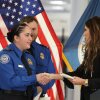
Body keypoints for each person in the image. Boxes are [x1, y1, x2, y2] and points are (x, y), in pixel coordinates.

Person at [48, 16, 100, 100]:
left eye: (85, 30)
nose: (83, 33)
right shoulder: (90, 53)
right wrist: (56, 76)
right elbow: (79, 73)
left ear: (94, 32)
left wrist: (84, 82)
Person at [0, 23, 50, 100]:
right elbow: (11, 82)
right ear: (16, 38)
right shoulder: (5, 56)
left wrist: (38, 90)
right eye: (27, 35)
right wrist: (35, 78)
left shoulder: (29, 57)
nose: (30, 38)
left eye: (30, 35)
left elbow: (31, 81)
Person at [20, 16, 56, 97]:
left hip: (39, 96)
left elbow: (51, 76)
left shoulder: (44, 51)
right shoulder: (14, 51)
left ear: (38, 29)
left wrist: (41, 89)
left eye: (33, 29)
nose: (31, 33)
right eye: (28, 29)